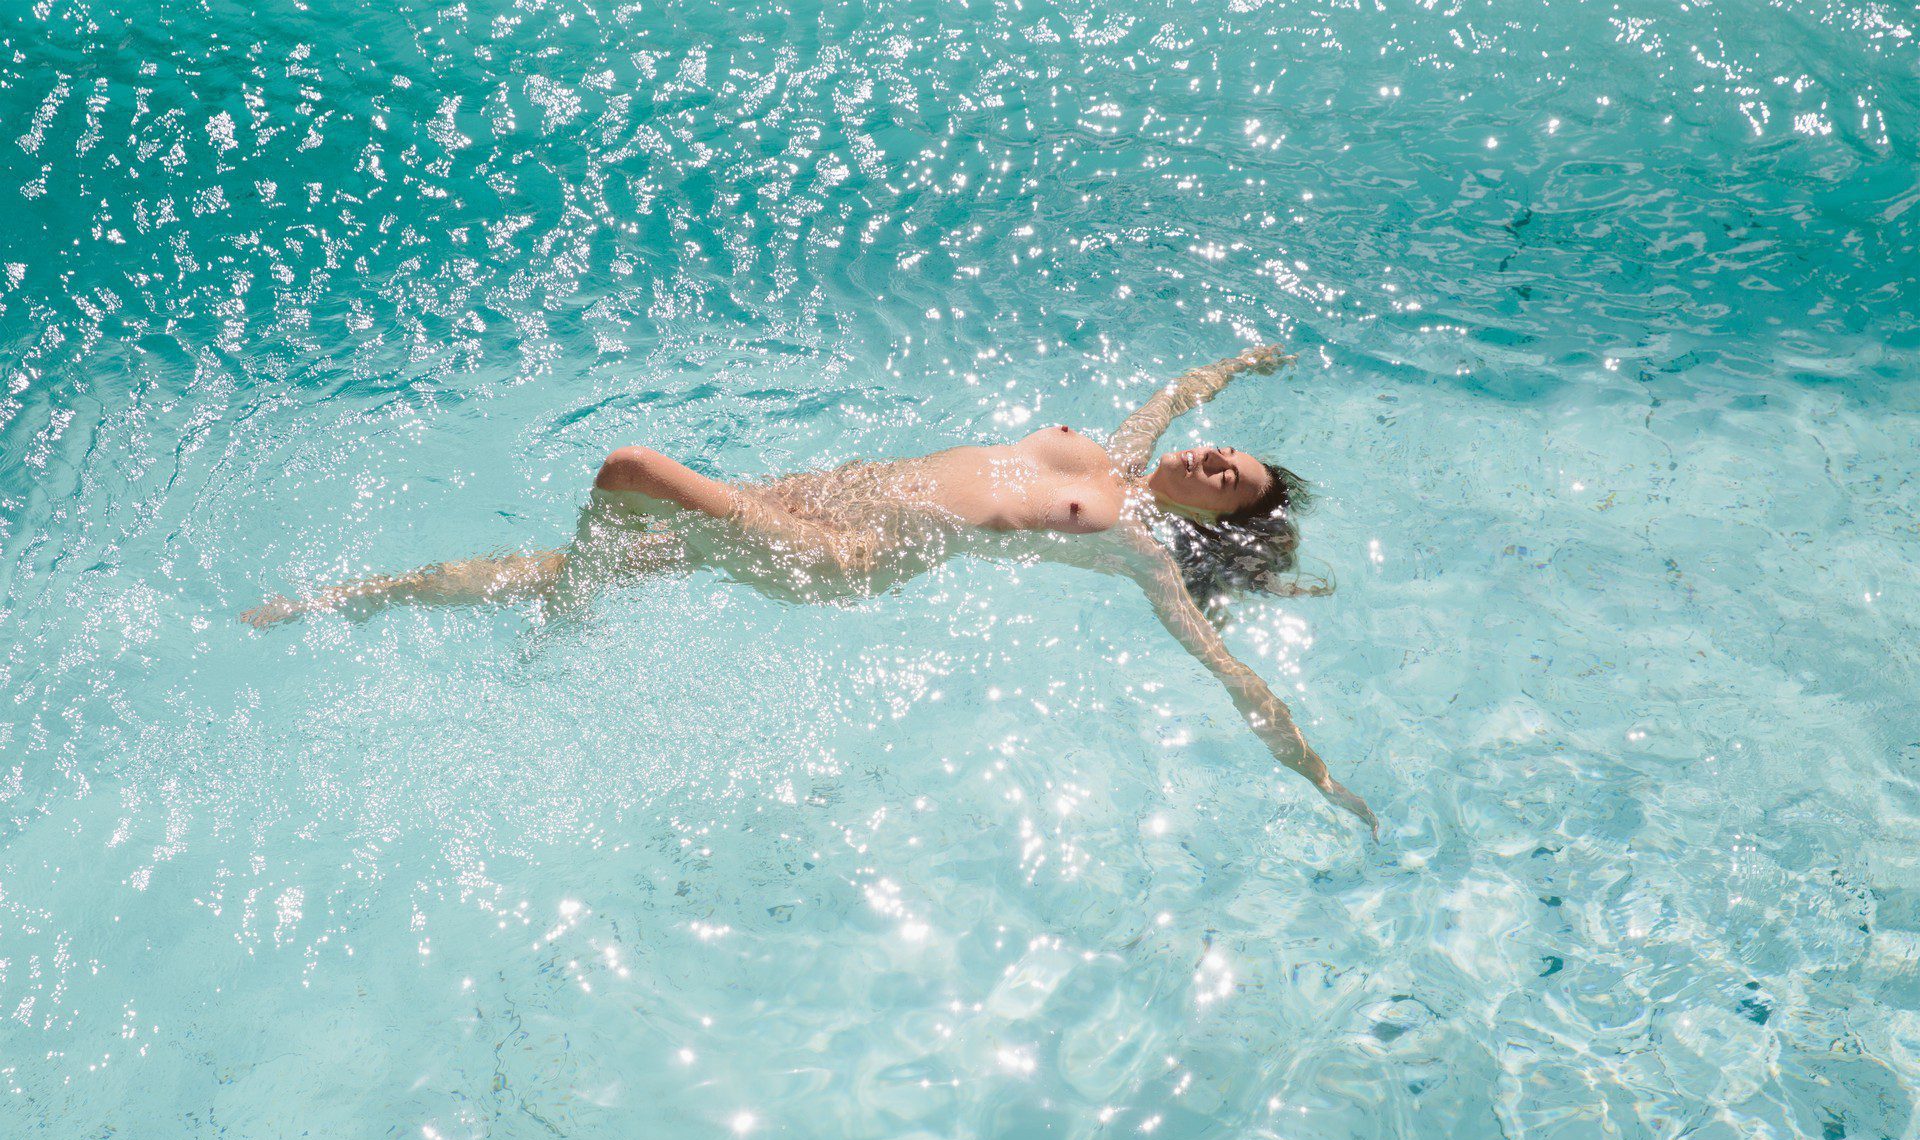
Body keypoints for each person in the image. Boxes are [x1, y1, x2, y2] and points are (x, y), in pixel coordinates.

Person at [244, 347, 1376, 831]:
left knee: (630, 473)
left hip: (837, 557)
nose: (1214, 460)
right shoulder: (1122, 457)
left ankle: (574, 615)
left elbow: (1231, 674)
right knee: (540, 562)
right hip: (820, 496)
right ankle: (340, 601)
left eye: (1229, 482)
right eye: (1229, 453)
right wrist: (1240, 365)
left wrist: (1319, 775)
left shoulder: (1140, 542)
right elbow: (1175, 395)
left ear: (1214, 522)